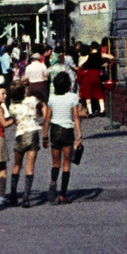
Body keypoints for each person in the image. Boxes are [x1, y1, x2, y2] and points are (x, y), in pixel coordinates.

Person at [44, 72, 83, 206]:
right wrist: (79, 134)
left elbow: (47, 118)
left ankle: (53, 181)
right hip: (67, 131)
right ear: (68, 85)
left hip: (54, 131)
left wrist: (44, 136)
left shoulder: (52, 98)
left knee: (56, 163)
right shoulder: (72, 97)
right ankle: (62, 195)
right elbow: (76, 117)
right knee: (67, 163)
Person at [7, 83, 42, 207]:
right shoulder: (32, 100)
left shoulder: (12, 107)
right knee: (30, 167)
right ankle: (26, 197)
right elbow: (41, 103)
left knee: (17, 164)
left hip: (20, 135)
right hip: (33, 133)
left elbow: (13, 119)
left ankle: (13, 194)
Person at [78, 45, 106, 118]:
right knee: (99, 93)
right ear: (98, 48)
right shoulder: (101, 55)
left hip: (89, 76)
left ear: (91, 49)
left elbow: (80, 64)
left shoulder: (88, 56)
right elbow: (111, 57)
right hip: (97, 75)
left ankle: (90, 112)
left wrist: (83, 69)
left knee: (88, 94)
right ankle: (102, 110)